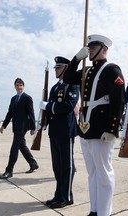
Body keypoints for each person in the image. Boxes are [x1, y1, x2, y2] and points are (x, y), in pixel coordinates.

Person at [64, 35, 125, 216]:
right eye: (89, 47)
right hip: (86, 128)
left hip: (101, 129)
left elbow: (118, 101)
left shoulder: (112, 70)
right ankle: (94, 210)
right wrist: (76, 59)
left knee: (104, 173)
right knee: (92, 173)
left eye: (93, 47)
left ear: (104, 49)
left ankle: (104, 212)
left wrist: (111, 128)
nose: (90, 50)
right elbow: (67, 78)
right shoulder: (87, 71)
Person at [40, 56, 79, 209]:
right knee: (57, 165)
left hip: (66, 130)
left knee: (67, 165)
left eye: (58, 67)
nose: (56, 70)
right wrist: (45, 121)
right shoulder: (55, 87)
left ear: (66, 69)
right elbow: (51, 109)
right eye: (55, 68)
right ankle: (59, 194)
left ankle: (66, 196)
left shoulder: (73, 85)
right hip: (54, 130)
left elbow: (68, 106)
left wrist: (49, 106)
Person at [0, 78, 38, 179]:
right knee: (21, 146)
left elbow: (31, 113)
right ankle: (33, 163)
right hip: (16, 127)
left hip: (23, 127)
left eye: (21, 85)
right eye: (17, 85)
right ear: (15, 87)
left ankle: (9, 170)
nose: (19, 87)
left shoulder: (27, 98)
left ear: (23, 86)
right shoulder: (13, 99)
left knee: (14, 147)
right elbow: (10, 113)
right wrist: (4, 125)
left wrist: (33, 127)